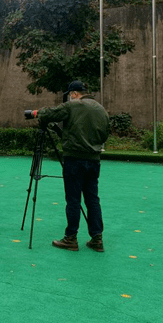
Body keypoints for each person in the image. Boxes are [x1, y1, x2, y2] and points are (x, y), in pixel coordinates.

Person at [32, 80, 110, 252]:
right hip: (94, 160)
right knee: (92, 199)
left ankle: (70, 238)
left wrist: (36, 113)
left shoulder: (73, 106)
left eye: (69, 95)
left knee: (73, 200)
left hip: (74, 159)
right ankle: (97, 238)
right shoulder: (100, 109)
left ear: (74, 93)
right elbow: (105, 133)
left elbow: (51, 113)